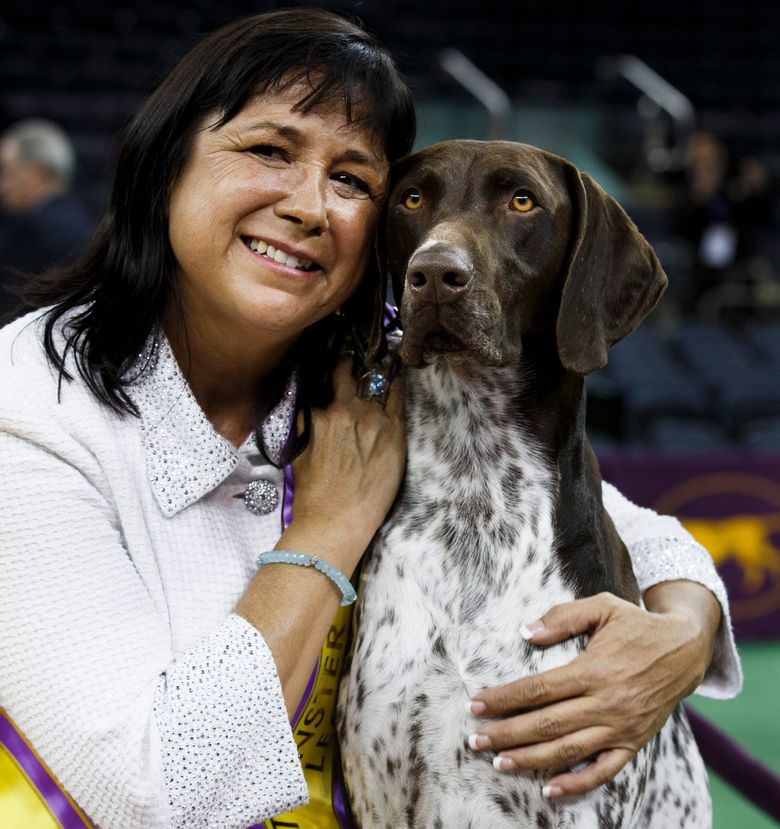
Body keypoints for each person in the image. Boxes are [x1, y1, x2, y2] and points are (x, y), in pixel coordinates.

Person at [0, 10, 740, 829]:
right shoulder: (26, 409)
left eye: (352, 179)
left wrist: (682, 631)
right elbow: (155, 796)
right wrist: (326, 529)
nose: (311, 205)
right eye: (269, 151)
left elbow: (593, 515)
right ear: (165, 165)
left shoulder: (357, 371)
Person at [0, 119, 93, 317]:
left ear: (36, 171)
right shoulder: (81, 217)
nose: (3, 185)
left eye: (7, 170)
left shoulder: (33, 230)